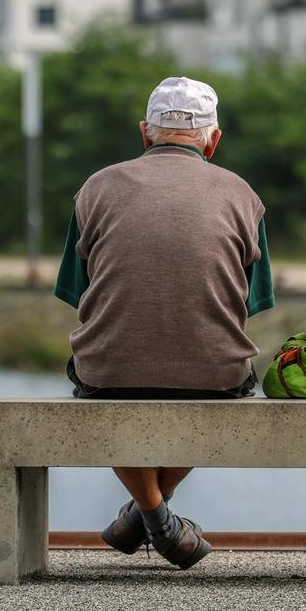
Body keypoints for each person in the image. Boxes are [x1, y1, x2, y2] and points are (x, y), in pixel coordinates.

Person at [54, 76, 275, 569]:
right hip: (214, 376)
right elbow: (252, 302)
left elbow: (77, 291)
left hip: (109, 371)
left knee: (107, 379)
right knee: (219, 372)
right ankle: (156, 520)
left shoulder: (95, 187)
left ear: (144, 133)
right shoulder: (244, 194)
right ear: (213, 141)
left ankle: (148, 517)